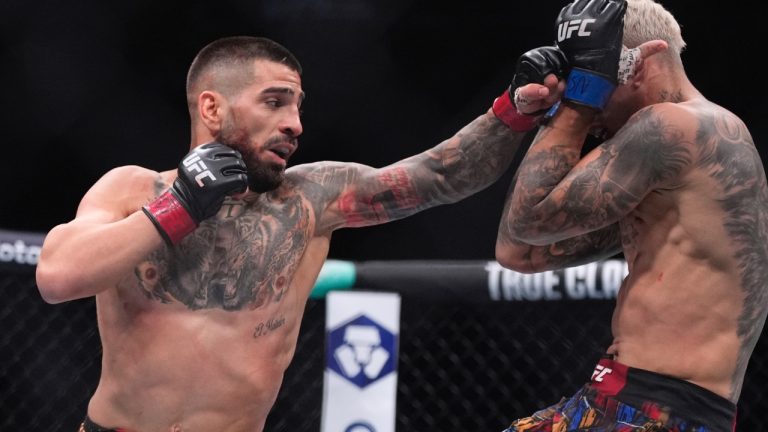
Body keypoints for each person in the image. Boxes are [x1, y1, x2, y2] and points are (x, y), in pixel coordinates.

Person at [35, 36, 565, 432]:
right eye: (274, 101)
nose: (295, 123)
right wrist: (182, 207)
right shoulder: (132, 188)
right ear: (212, 107)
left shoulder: (312, 198)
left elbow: (440, 176)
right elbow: (58, 277)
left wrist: (512, 111)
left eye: (297, 106)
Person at [495, 0, 767, 430]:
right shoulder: (668, 171)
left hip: (658, 409)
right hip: (621, 396)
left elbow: (529, 219)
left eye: (593, 76)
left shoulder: (677, 126)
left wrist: (576, 105)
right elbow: (519, 251)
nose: (587, 97)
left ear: (636, 65)